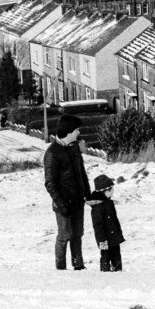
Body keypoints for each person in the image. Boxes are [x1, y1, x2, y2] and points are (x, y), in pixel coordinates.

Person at [43, 114, 91, 271]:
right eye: (77, 130)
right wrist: (61, 203)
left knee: (78, 234)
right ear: (69, 131)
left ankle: (78, 265)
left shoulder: (74, 148)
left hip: (78, 201)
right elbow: (50, 183)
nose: (79, 133)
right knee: (64, 236)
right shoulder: (52, 153)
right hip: (63, 204)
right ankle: (61, 268)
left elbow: (81, 173)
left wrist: (87, 193)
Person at [87, 174, 125, 272]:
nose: (113, 191)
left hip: (114, 237)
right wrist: (102, 240)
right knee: (105, 256)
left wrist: (118, 234)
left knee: (116, 255)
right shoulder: (98, 207)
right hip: (105, 239)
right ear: (106, 191)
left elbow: (114, 220)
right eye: (112, 189)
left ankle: (118, 271)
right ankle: (105, 273)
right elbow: (98, 226)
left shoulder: (109, 203)